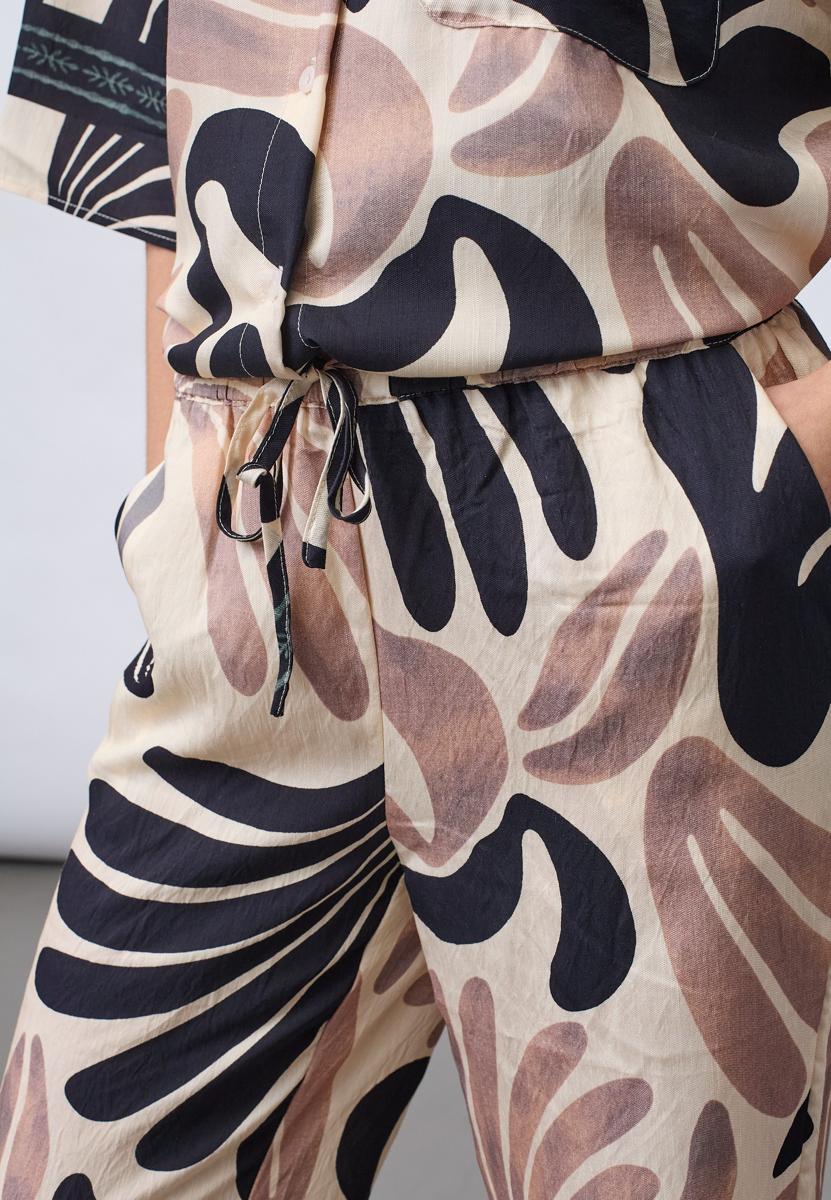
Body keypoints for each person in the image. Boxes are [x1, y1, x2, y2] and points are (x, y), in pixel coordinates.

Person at [1, 1, 831, 1197]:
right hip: (267, 530)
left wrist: (774, 473)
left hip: (640, 544)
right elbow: (148, 105)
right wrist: (189, 492)